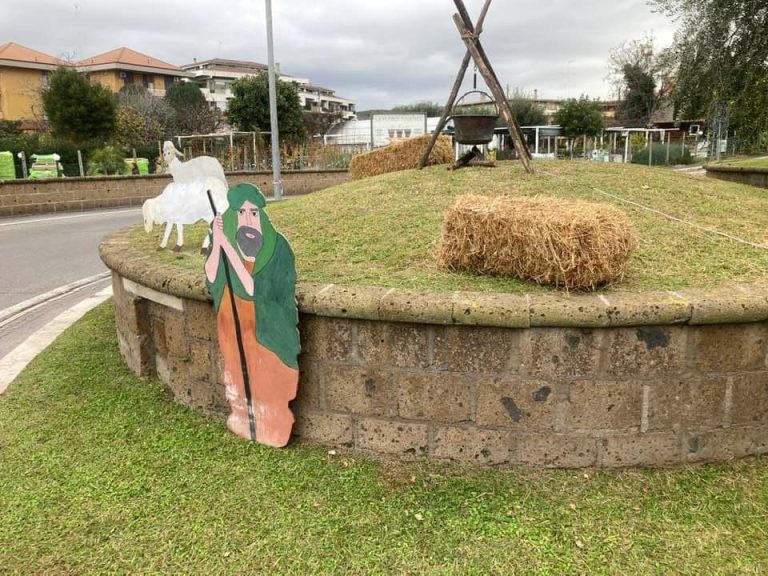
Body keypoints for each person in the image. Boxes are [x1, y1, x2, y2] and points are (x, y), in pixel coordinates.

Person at [204, 183, 300, 447]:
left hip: (265, 335)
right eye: (243, 213)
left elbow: (254, 289)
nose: (249, 220)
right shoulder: (225, 239)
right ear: (234, 216)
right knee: (237, 378)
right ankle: (244, 421)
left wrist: (229, 250)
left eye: (254, 213)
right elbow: (212, 276)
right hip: (232, 328)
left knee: (270, 384)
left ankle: (275, 430)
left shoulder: (276, 248)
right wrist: (218, 244)